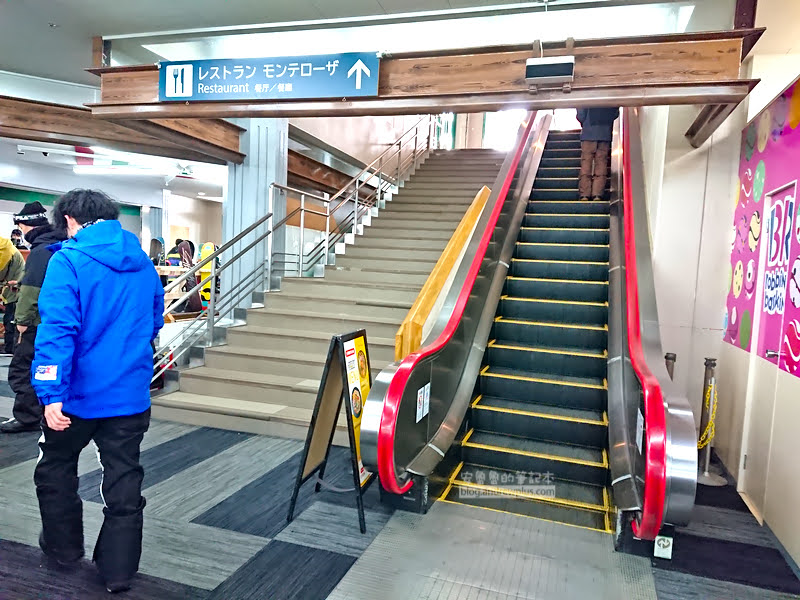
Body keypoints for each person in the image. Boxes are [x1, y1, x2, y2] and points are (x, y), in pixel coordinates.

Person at [31, 189, 164, 593]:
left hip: (76, 398)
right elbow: (154, 322)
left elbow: (57, 331)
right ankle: (118, 570)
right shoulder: (143, 263)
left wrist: (50, 393)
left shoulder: (68, 261)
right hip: (129, 395)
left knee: (55, 468)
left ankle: (63, 548)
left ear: (69, 219)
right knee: (124, 477)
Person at [0, 202, 66, 433]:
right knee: (48, 367)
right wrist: (20, 282)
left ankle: (27, 417)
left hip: (37, 322)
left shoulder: (40, 251)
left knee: (22, 368)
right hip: (58, 320)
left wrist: (22, 322)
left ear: (25, 225)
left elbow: (33, 291)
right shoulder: (59, 245)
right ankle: (46, 411)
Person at [576, 107, 619, 201]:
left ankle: (585, 194)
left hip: (588, 132)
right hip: (604, 133)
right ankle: (597, 194)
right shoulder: (607, 98)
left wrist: (585, 122)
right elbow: (615, 113)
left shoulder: (586, 98)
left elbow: (581, 114)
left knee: (586, 163)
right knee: (601, 163)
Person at [0, 235, 25, 355]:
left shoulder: (4, 251)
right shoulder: (5, 246)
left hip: (14, 289)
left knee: (11, 320)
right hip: (12, 287)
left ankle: (10, 348)